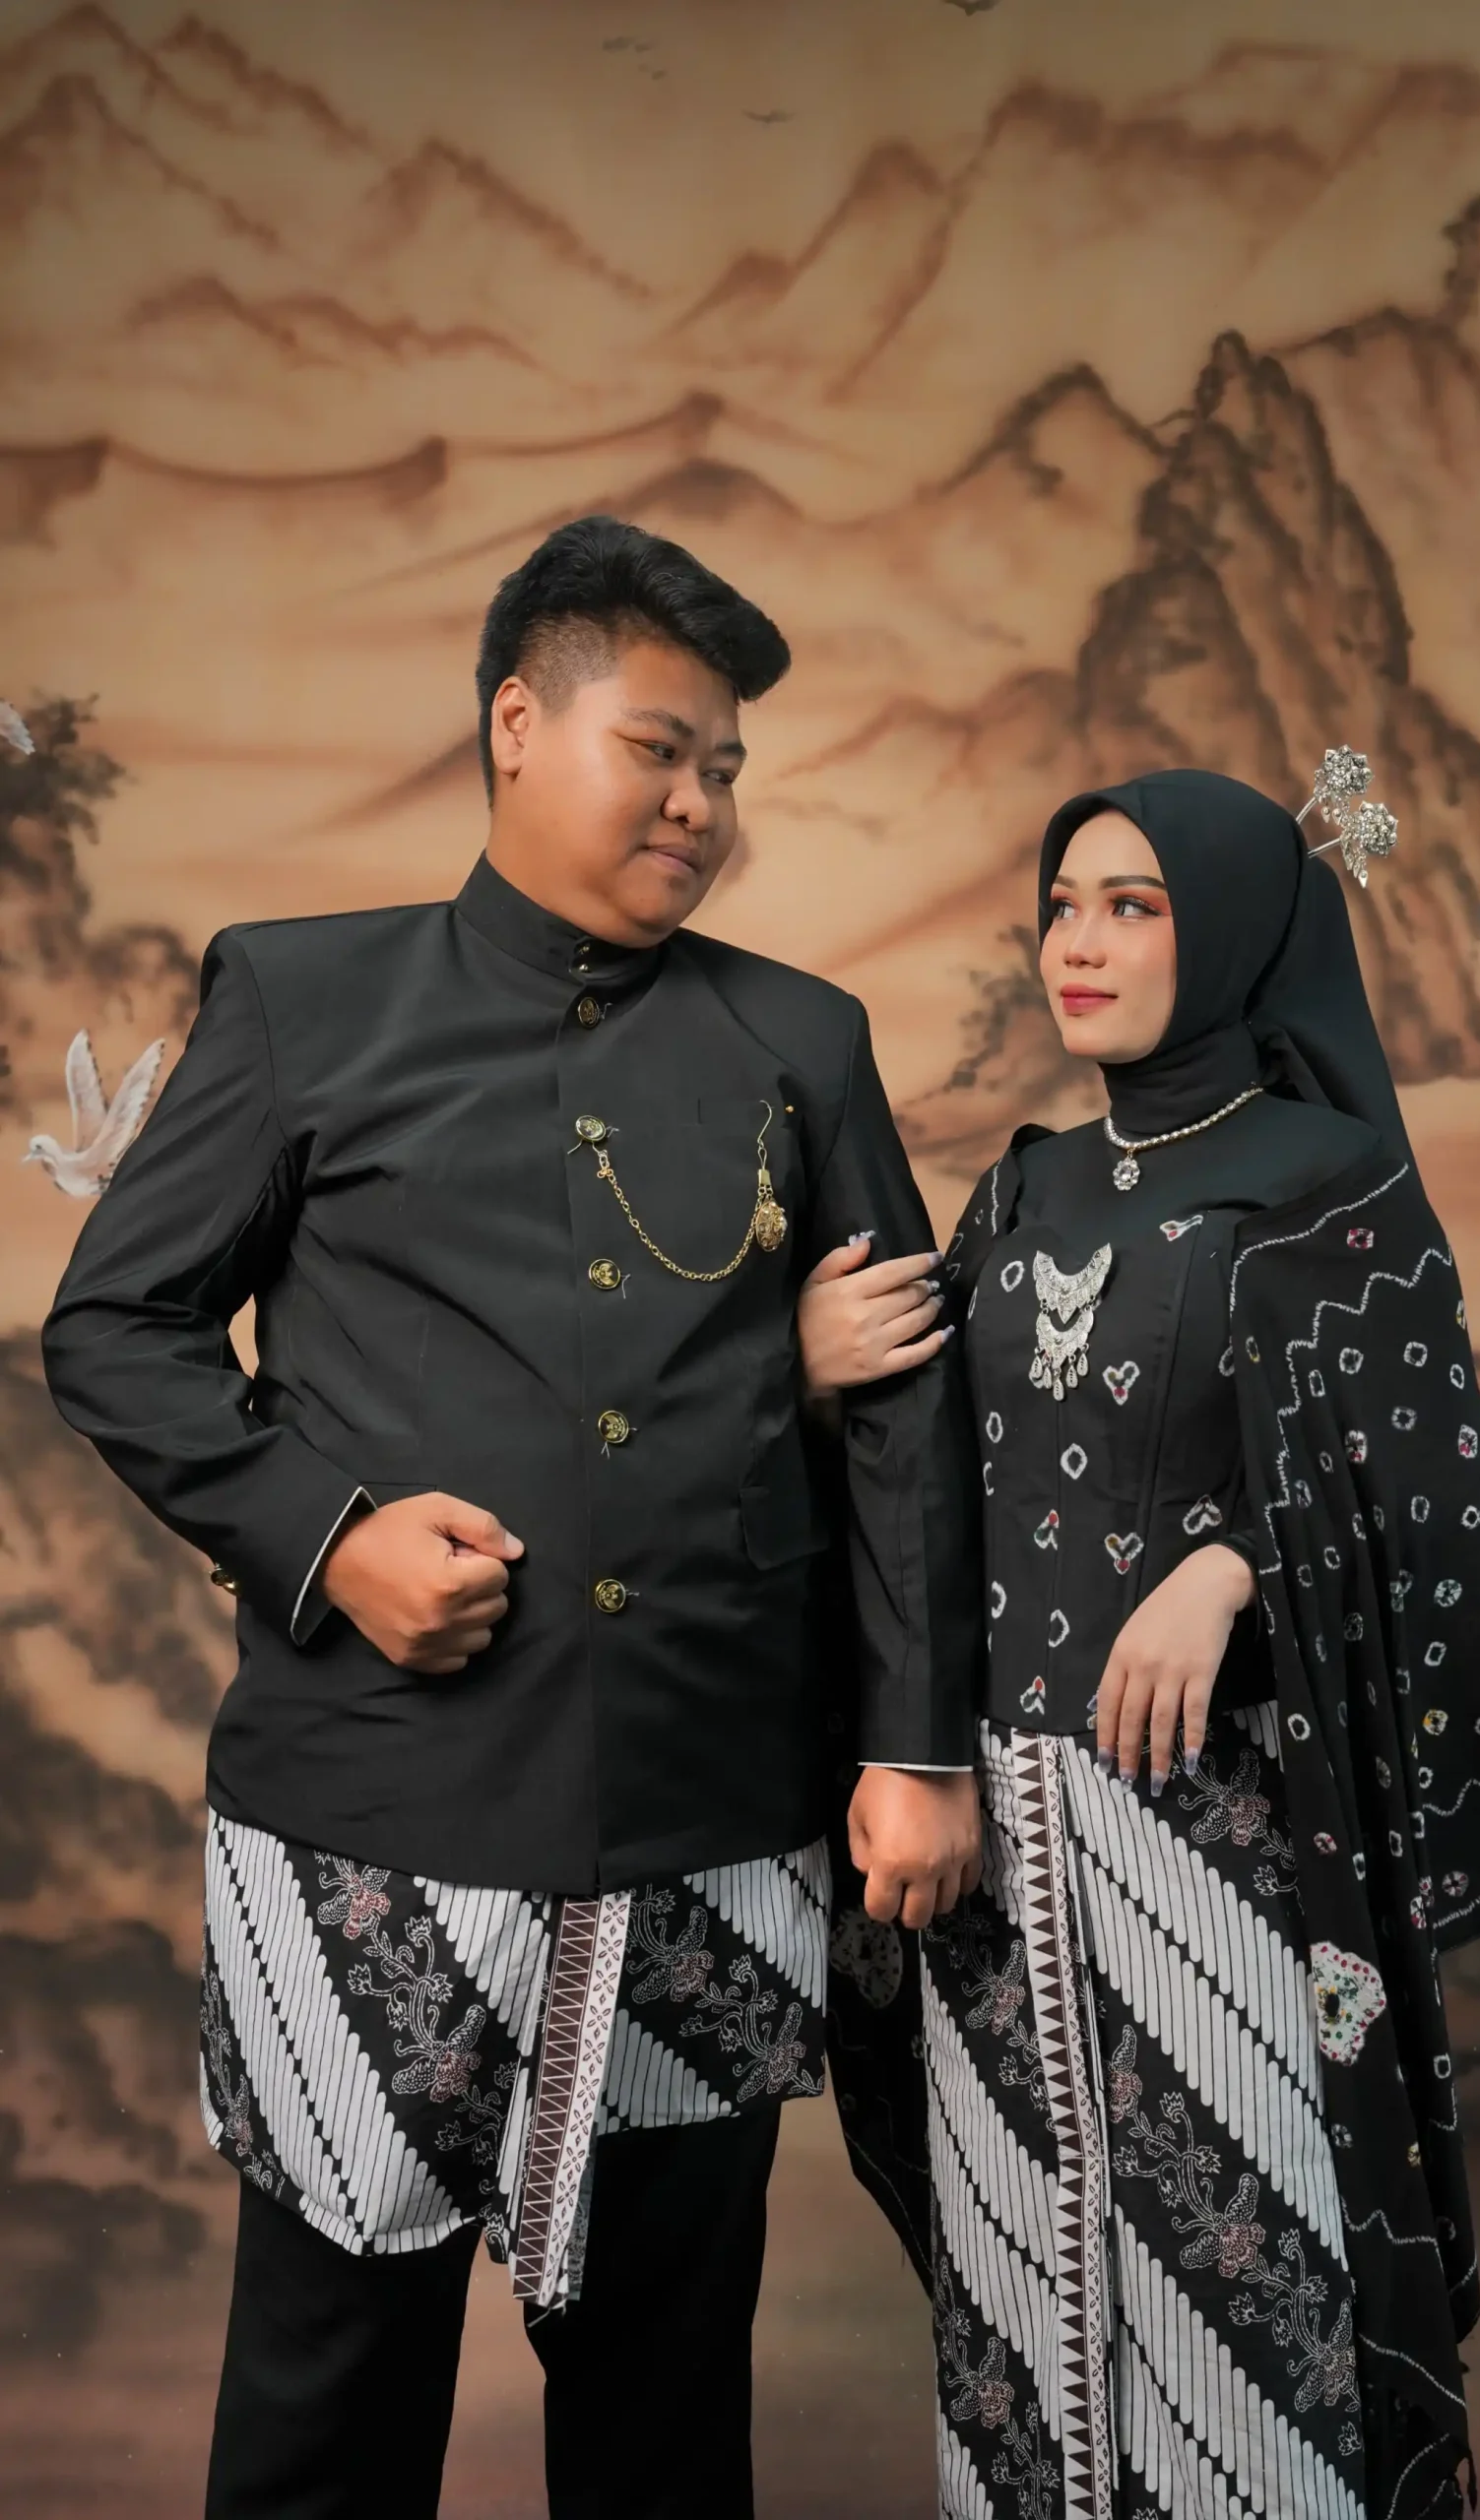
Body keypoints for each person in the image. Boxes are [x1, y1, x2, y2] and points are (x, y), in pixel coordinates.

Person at [39, 515, 985, 2520]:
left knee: (664, 2420)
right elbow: (113, 1327)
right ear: (514, 725)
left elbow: (901, 1415)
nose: (699, 800)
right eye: (659, 747)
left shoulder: (800, 1038)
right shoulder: (304, 997)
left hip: (709, 1815)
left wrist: (911, 1745)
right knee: (325, 2409)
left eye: (724, 764)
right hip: (371, 1813)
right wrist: (330, 1534)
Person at [799, 772, 1480, 2520]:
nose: (1076, 943)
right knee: (1024, 2312)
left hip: (1224, 1850)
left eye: (1132, 907)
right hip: (994, 1861)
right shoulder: (1020, 1189)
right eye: (1062, 905)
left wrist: (1231, 1568)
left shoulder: (1330, 1185)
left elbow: (1427, 1501)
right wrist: (810, 1372)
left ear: (1224, 932)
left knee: (1245, 2292)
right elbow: (920, 1478)